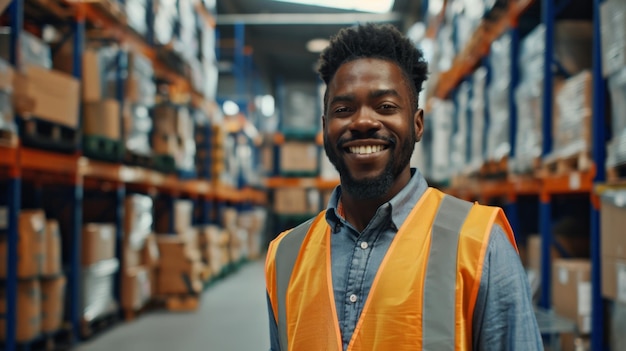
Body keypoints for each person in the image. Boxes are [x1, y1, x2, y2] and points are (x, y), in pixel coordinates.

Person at [265, 23, 542, 351]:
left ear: (417, 124)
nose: (363, 121)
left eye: (385, 107)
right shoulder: (285, 256)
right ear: (325, 128)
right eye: (343, 110)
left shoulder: (480, 244)